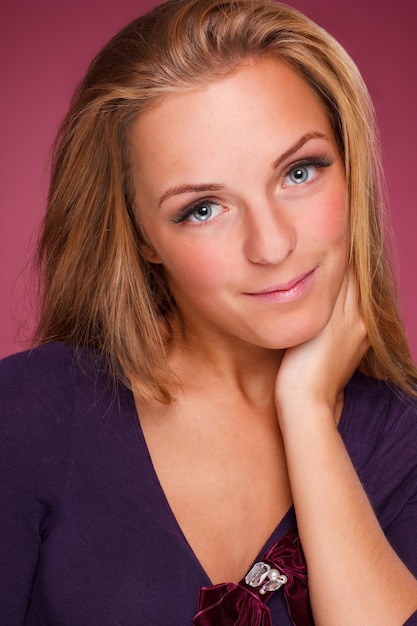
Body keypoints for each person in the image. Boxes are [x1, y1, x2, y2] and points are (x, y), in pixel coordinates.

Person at [1, 0, 416, 623]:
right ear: (142, 236)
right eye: (202, 208)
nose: (273, 246)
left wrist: (306, 413)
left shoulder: (401, 437)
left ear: (350, 166)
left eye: (300, 171)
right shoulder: (27, 416)